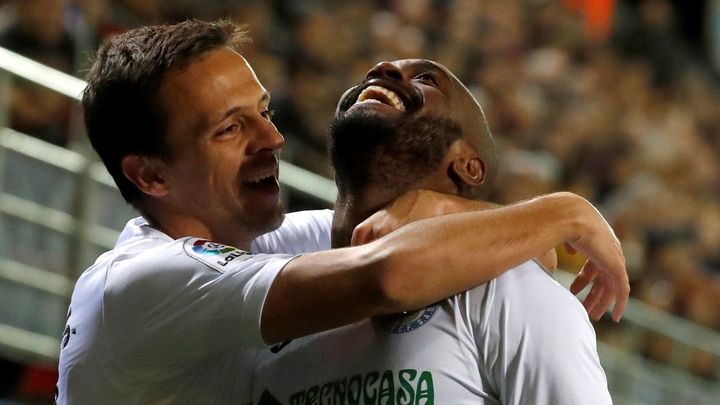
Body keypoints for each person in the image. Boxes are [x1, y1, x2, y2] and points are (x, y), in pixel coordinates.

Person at [55, 20, 627, 404]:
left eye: (264, 112)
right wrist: (565, 211)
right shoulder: (141, 282)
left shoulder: (278, 246)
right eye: (229, 129)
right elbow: (385, 272)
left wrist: (440, 206)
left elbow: (371, 237)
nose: (273, 139)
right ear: (151, 176)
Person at [249, 59, 613, 404]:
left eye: (426, 79)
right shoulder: (274, 248)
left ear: (468, 166)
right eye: (372, 74)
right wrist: (553, 214)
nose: (383, 68)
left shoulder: (515, 293)